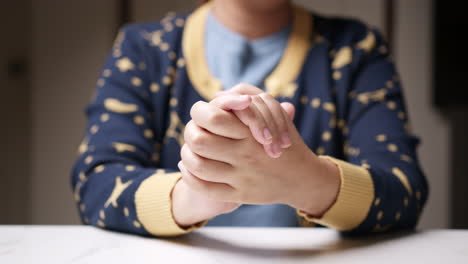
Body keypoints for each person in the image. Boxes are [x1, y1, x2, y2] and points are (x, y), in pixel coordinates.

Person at [71, 0, 428, 237]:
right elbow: (96, 181)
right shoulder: (143, 48)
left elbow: (404, 190)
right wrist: (196, 193)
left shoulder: (355, 48)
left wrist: (307, 181)